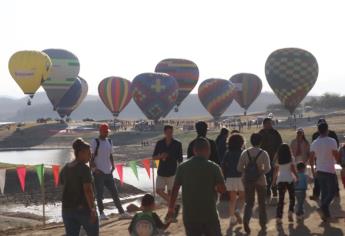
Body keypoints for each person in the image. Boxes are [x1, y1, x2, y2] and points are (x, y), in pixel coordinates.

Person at [167, 137, 226, 236]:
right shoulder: (214, 167)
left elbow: (175, 189)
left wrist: (171, 209)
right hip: (209, 214)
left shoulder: (182, 167)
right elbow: (222, 190)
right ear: (208, 150)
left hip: (190, 216)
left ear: (194, 151)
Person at [90, 123, 131, 220]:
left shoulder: (109, 141)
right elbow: (91, 158)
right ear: (100, 131)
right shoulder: (95, 142)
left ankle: (121, 212)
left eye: (107, 132)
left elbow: (110, 155)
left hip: (108, 172)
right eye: (105, 132)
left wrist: (113, 165)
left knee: (115, 193)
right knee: (99, 194)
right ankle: (101, 214)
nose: (106, 133)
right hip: (99, 173)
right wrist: (95, 170)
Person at [60, 138, 99, 236]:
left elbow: (62, 183)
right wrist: (93, 209)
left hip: (67, 210)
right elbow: (88, 190)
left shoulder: (65, 168)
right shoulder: (83, 168)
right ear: (81, 153)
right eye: (88, 153)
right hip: (83, 209)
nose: (90, 156)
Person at [237, 133, 271, 234]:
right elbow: (268, 168)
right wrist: (260, 172)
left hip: (247, 181)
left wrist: (247, 171)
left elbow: (238, 168)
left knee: (249, 203)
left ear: (251, 141)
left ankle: (246, 220)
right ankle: (263, 223)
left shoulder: (245, 152)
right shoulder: (264, 153)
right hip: (261, 181)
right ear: (260, 142)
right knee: (262, 203)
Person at [310, 121, 339, 222]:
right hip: (330, 170)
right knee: (332, 192)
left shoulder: (314, 143)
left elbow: (311, 158)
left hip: (319, 170)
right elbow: (336, 155)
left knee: (324, 192)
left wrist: (313, 171)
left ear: (318, 131)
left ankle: (326, 215)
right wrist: (340, 162)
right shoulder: (332, 141)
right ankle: (324, 207)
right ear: (327, 130)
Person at [152, 125, 183, 204]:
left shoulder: (177, 144)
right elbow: (154, 157)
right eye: (168, 132)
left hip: (172, 172)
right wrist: (161, 156)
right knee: (158, 190)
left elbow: (180, 159)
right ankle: (173, 203)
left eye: (171, 132)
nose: (170, 134)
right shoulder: (159, 143)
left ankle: (171, 209)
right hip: (161, 171)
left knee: (171, 193)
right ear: (165, 132)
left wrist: (181, 171)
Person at [221, 133, 245, 226]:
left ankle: (232, 218)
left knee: (232, 199)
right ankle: (238, 211)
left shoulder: (228, 153)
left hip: (230, 178)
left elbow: (223, 166)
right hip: (241, 177)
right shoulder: (243, 152)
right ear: (241, 143)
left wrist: (224, 177)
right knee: (242, 197)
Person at [272, 144, 297, 224]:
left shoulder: (278, 159)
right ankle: (290, 212)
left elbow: (276, 171)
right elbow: (293, 170)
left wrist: (273, 181)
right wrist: (297, 177)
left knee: (281, 200)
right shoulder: (291, 158)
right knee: (292, 198)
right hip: (289, 179)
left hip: (281, 179)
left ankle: (279, 217)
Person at [259, 118, 282, 200]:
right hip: (263, 158)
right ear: (264, 124)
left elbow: (280, 145)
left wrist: (277, 156)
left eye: (271, 123)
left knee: (274, 175)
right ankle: (267, 190)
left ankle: (274, 190)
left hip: (274, 157)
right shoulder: (260, 133)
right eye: (268, 123)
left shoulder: (275, 133)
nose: (270, 125)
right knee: (265, 175)